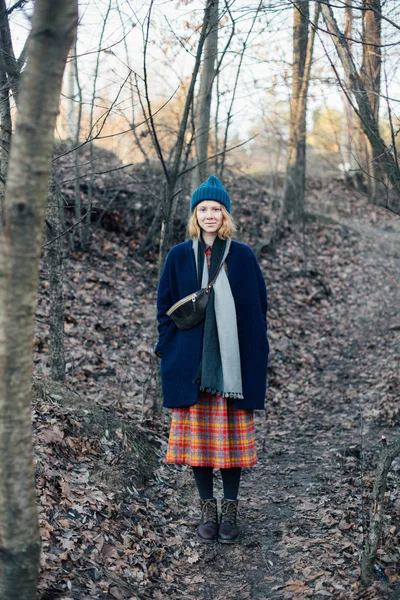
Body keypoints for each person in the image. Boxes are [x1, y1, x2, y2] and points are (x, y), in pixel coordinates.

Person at [155, 175, 269, 544]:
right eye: (202, 209)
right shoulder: (177, 255)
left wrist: (253, 352)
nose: (209, 215)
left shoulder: (243, 255)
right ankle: (207, 508)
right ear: (194, 214)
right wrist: (169, 346)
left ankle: (231, 509)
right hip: (192, 366)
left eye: (215, 209)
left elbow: (258, 308)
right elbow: (164, 307)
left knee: (231, 443)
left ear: (225, 214)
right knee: (200, 444)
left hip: (233, 366)